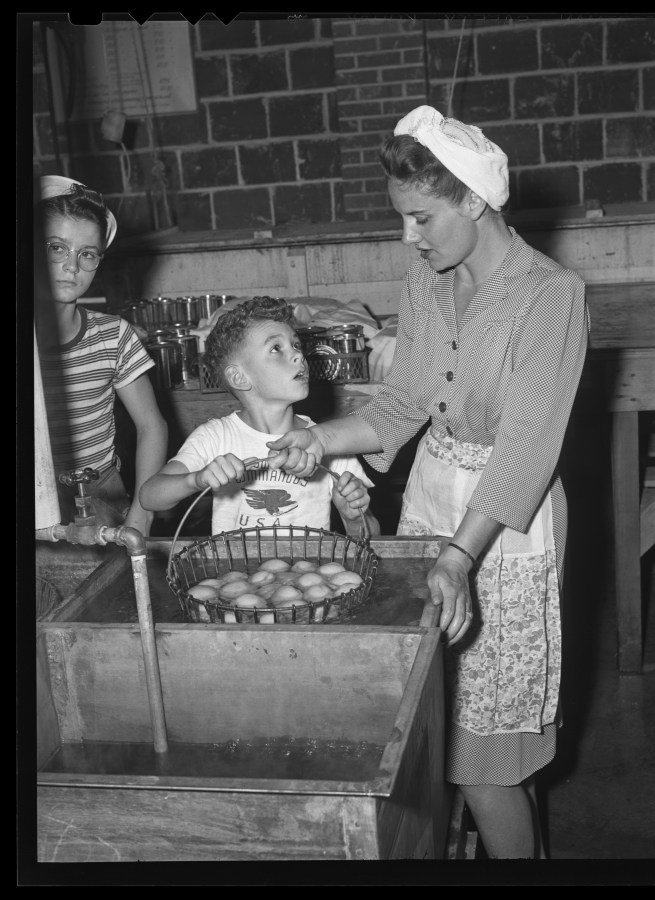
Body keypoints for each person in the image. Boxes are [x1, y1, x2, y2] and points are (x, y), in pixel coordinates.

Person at [266, 105, 589, 859]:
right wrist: (317, 440)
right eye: (403, 220)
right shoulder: (427, 279)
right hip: (430, 510)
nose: (408, 237)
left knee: (482, 758)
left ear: (475, 200)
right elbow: (405, 403)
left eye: (421, 219)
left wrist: (458, 558)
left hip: (503, 530)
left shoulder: (550, 296)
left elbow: (526, 448)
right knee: (443, 727)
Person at [139, 296, 380, 539]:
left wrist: (353, 518)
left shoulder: (328, 443)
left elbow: (371, 535)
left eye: (296, 345)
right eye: (276, 348)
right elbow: (149, 496)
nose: (298, 356)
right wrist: (196, 480)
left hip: (308, 573)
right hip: (237, 575)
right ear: (239, 378)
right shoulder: (215, 437)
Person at [35, 175, 168, 536]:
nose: (72, 265)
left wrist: (142, 511)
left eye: (87, 254)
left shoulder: (113, 335)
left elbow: (151, 425)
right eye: (56, 247)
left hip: (104, 496)